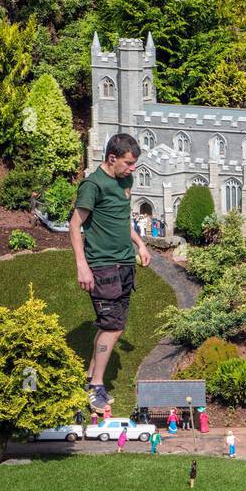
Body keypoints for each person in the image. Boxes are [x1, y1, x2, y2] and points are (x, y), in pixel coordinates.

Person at [71, 133, 150, 414]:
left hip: (125, 263)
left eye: (134, 163)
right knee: (113, 327)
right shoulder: (93, 186)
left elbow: (120, 219)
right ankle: (96, 387)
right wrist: (82, 265)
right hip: (102, 267)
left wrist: (140, 244)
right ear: (112, 158)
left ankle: (90, 381)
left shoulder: (123, 180)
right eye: (128, 163)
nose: (133, 169)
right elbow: (74, 225)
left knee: (112, 326)